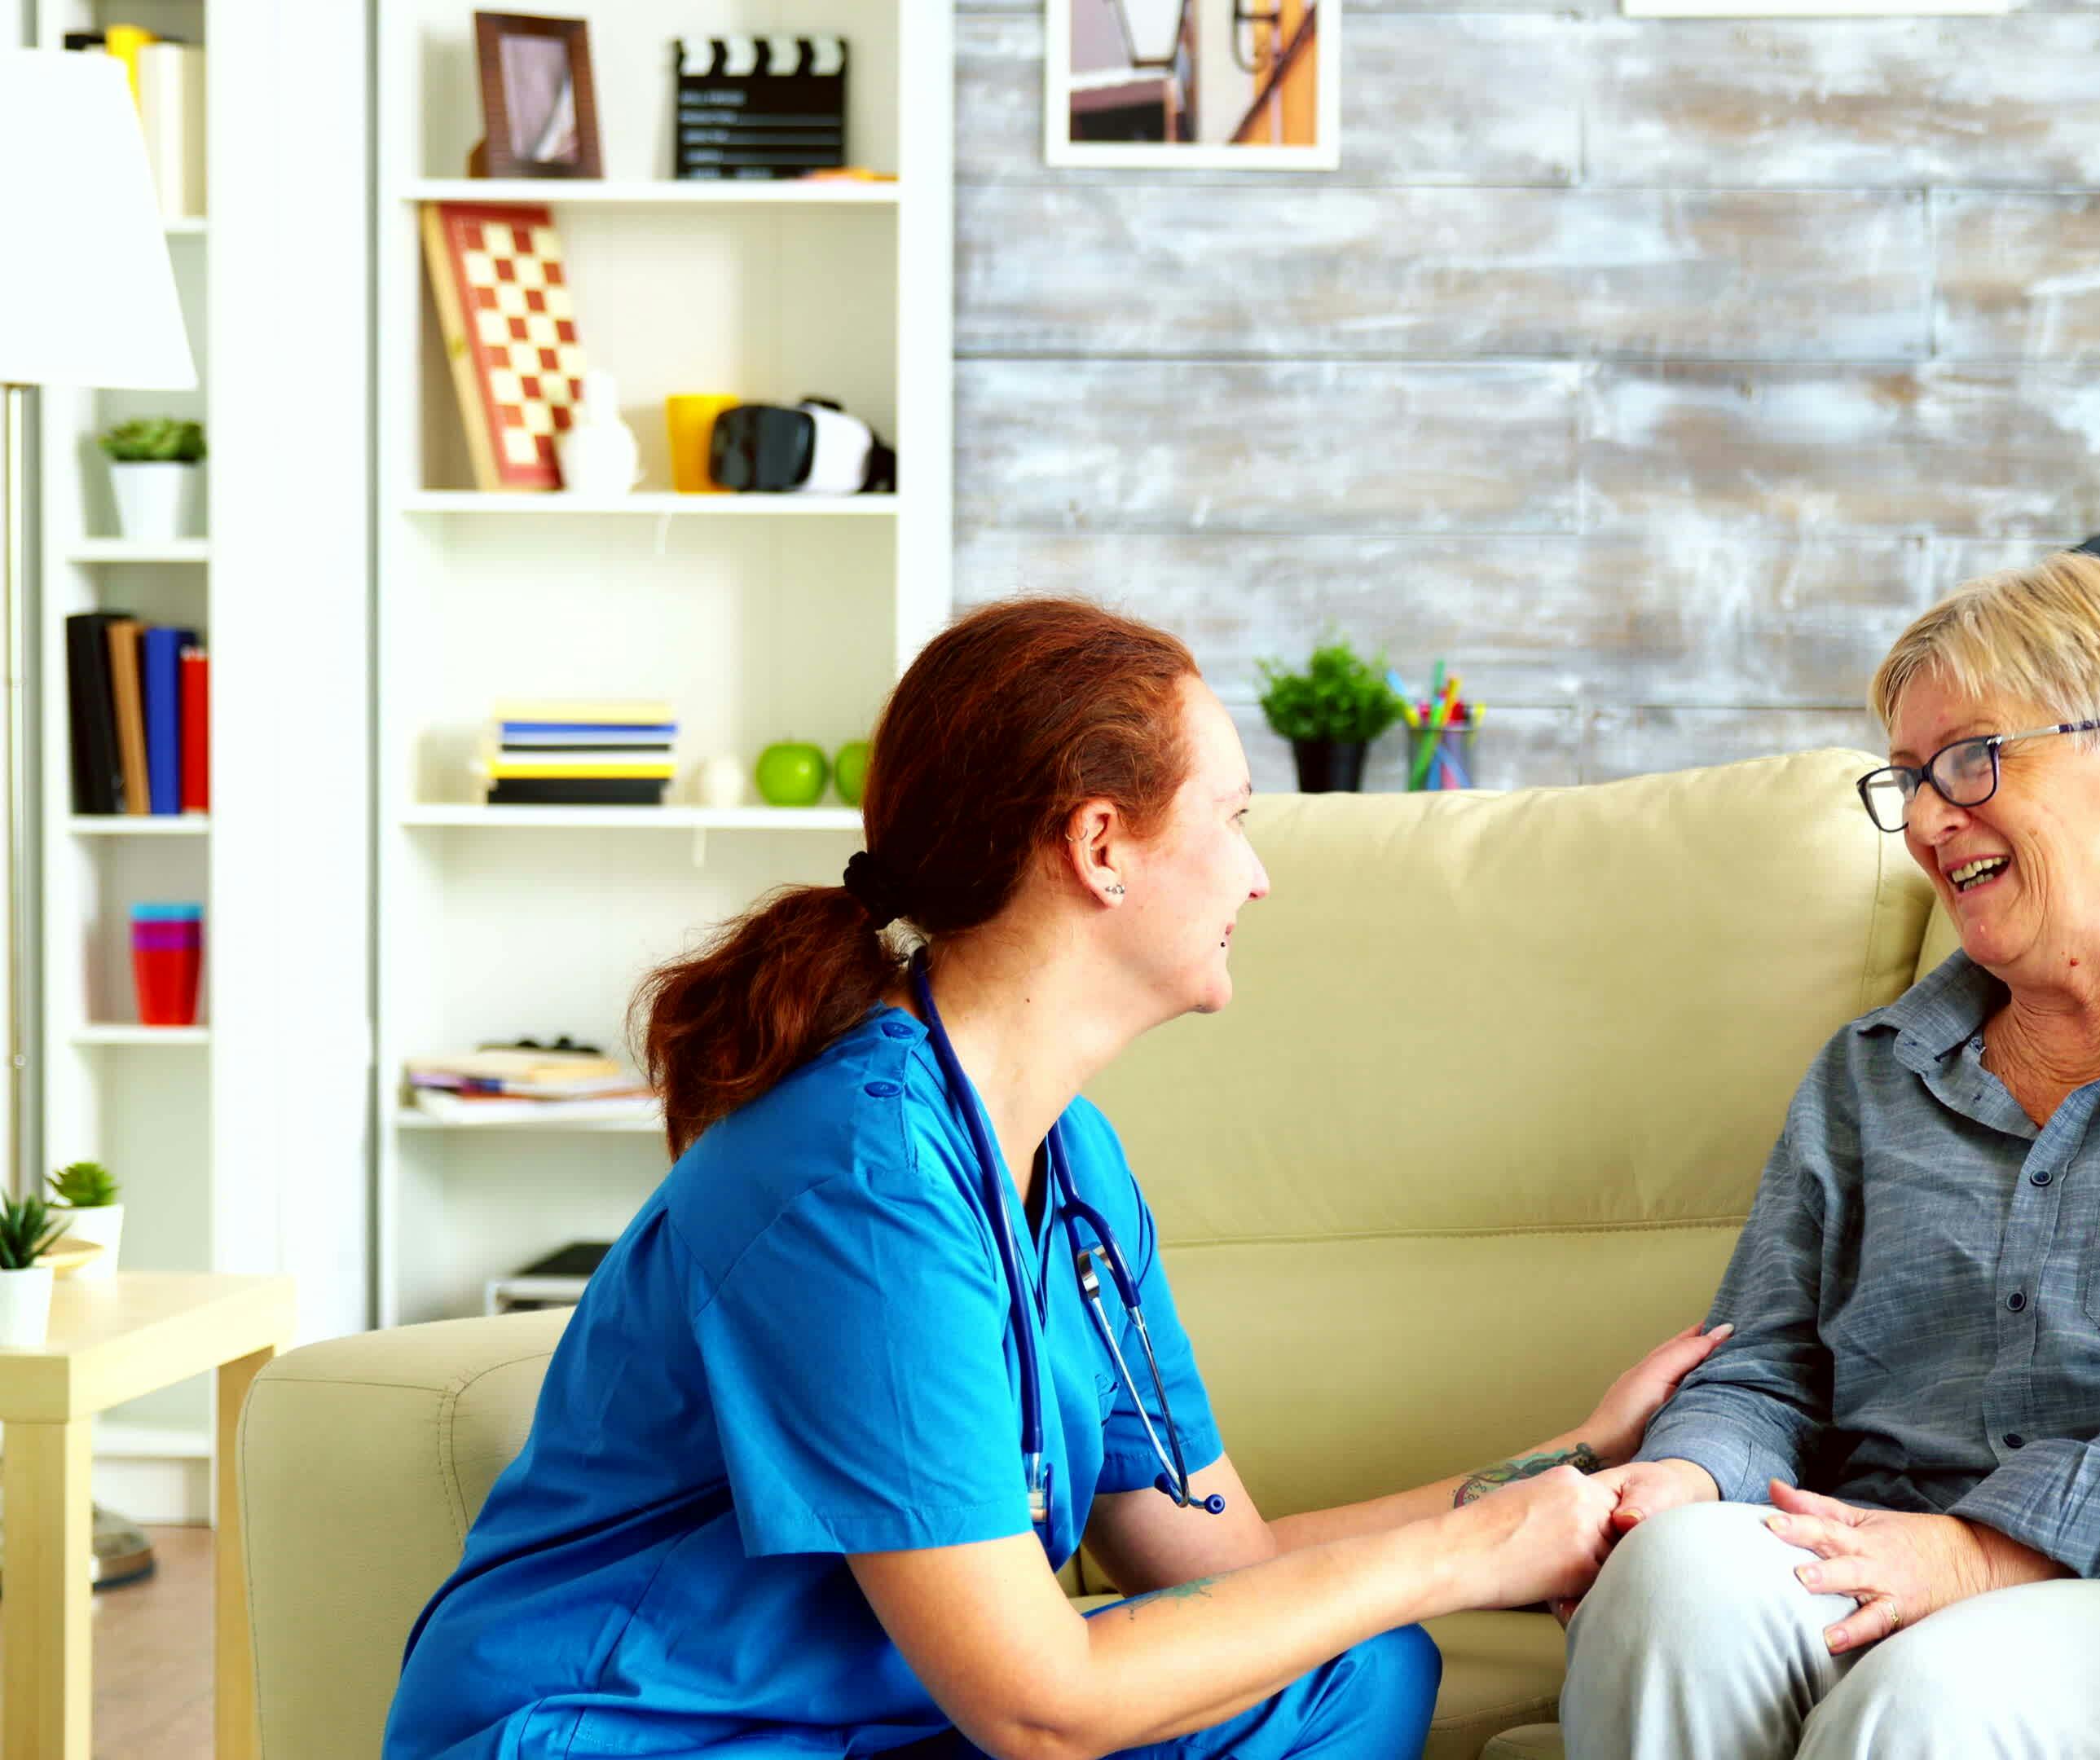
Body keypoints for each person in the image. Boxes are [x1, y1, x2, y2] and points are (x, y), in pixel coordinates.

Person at [385, 597, 1724, 1760]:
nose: (1257, 877)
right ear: (1100, 845)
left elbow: (1229, 1571)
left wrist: (1574, 1457)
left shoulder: (1068, 1163)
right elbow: (1038, 1708)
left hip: (865, 1731)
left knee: (1348, 1678)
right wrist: (1462, 1557)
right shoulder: (857, 1180)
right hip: (630, 1737)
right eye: (1234, 819)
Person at [1557, 552, 2100, 1760]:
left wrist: (1990, 1548)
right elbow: (1763, 1364)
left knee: (1930, 1702)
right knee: (1672, 1583)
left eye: (1974, 760)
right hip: (1882, 1548)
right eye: (1909, 781)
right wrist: (1684, 1479)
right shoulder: (1871, 1074)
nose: (1931, 821)